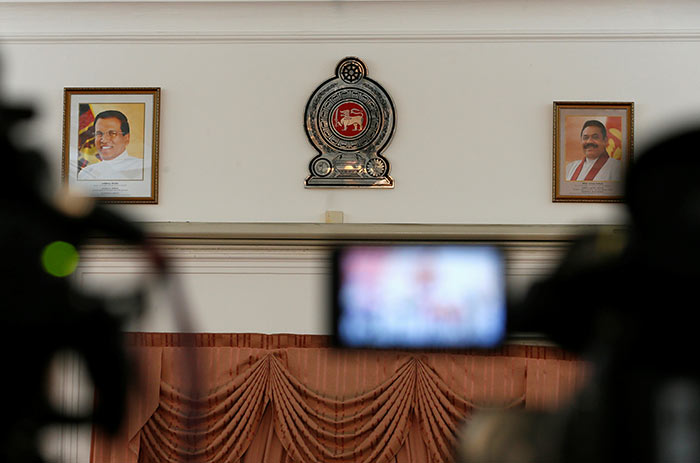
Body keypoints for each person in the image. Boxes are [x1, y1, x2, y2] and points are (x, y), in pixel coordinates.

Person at [78, 110, 143, 180]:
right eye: (99, 133)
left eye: (112, 133)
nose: (104, 140)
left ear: (126, 138)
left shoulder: (142, 168)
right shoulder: (85, 174)